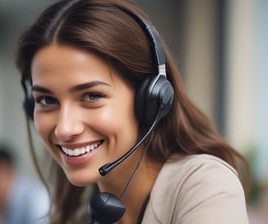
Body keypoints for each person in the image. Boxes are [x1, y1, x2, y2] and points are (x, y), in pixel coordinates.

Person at [15, 0, 251, 224]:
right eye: (46, 100)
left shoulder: (203, 185)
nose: (64, 128)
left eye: (92, 96)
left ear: (151, 99)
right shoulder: (80, 209)